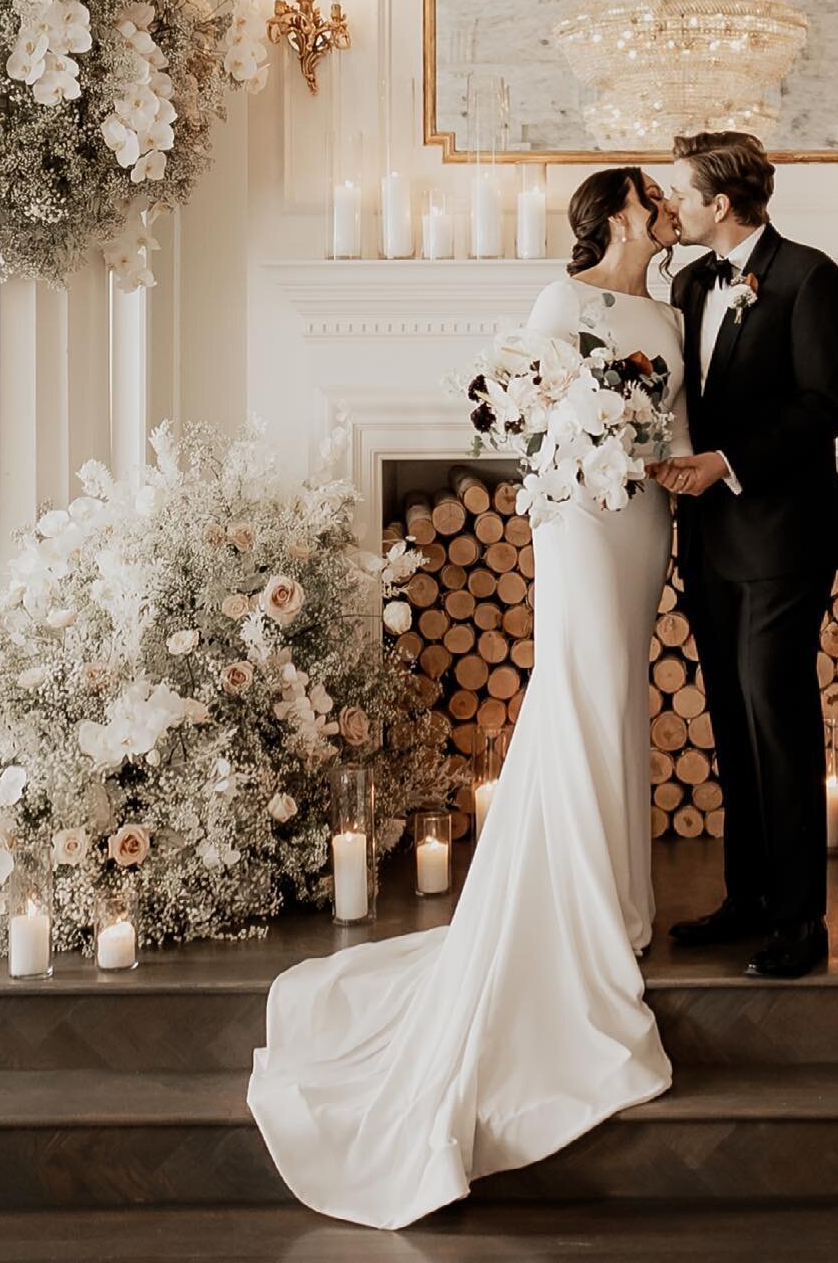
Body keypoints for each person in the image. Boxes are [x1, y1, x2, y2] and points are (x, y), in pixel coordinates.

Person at [247, 167, 689, 1229]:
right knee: (577, 691)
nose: (670, 205)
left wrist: (653, 460)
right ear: (621, 211)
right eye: (655, 196)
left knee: (620, 693)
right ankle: (576, 908)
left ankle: (620, 902)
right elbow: (532, 422)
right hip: (580, 521)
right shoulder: (559, 304)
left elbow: (674, 427)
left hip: (642, 524)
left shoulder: (669, 311)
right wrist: (590, 440)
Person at [652, 131, 838, 979]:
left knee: (778, 720)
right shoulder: (693, 280)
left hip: (781, 537)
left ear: (720, 205)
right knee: (731, 723)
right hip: (709, 543)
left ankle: (802, 921)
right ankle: (748, 899)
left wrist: (725, 464)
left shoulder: (810, 276)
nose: (672, 206)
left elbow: (825, 406)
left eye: (681, 194)